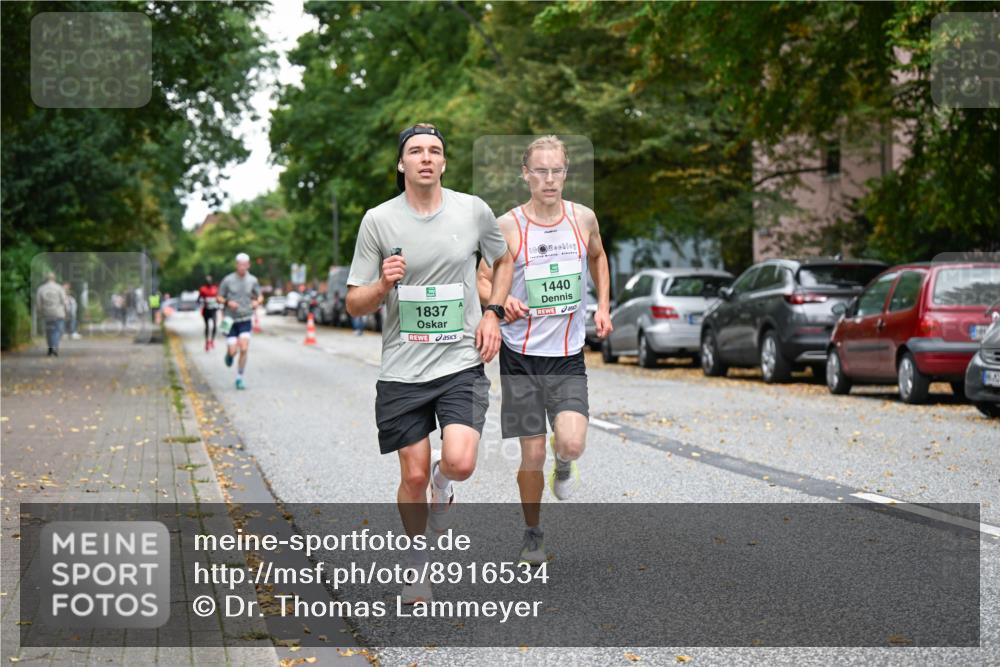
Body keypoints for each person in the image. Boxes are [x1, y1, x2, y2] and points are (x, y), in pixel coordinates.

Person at [345, 123, 513, 604]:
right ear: (401, 164)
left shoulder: (473, 210)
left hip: (460, 358)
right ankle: (419, 568)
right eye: (415, 151)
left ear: (443, 163)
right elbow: (356, 303)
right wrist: (382, 284)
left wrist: (493, 314)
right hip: (402, 368)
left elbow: (503, 261)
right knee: (411, 477)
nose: (425, 158)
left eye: (434, 151)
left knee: (459, 463)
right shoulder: (378, 221)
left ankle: (445, 484)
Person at [477, 135, 613, 566]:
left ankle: (566, 464)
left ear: (565, 173)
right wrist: (499, 303)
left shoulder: (583, 219)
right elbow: (480, 277)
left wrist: (604, 307)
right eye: (541, 171)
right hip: (519, 356)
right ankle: (533, 534)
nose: (549, 179)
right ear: (526, 174)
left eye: (557, 171)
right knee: (531, 453)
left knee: (570, 444)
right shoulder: (508, 226)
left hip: (568, 355)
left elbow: (599, 256)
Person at [217, 254, 261, 390]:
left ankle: (239, 378)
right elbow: (219, 297)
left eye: (245, 264)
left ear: (248, 265)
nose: (242, 267)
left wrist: (256, 302)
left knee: (244, 348)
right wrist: (227, 302)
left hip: (245, 318)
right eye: (240, 264)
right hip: (230, 319)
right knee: (233, 351)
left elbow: (259, 296)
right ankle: (229, 355)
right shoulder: (228, 280)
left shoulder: (252, 280)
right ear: (236, 265)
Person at [36, 273, 68, 356]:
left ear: (46, 279)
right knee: (57, 331)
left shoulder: (41, 289)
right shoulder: (59, 288)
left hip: (47, 313)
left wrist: (40, 312)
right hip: (58, 313)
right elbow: (64, 301)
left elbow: (39, 303)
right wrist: (66, 310)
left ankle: (50, 348)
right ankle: (55, 347)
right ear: (54, 279)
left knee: (49, 331)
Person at [198, 275, 220, 351]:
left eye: (210, 281)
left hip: (213, 310)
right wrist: (203, 303)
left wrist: (218, 305)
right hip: (206, 310)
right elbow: (198, 299)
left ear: (212, 281)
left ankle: (212, 341)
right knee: (207, 326)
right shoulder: (202, 289)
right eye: (207, 281)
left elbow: (218, 298)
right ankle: (207, 341)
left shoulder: (215, 289)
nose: (209, 282)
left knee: (214, 325)